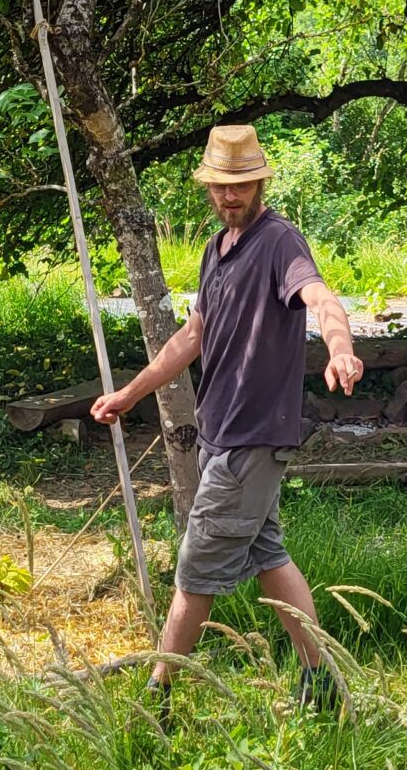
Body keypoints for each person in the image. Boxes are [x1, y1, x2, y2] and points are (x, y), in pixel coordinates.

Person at [92, 123, 364, 714]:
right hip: (218, 436)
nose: (230, 196)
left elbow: (321, 298)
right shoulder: (215, 253)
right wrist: (129, 394)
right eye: (220, 186)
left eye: (241, 185)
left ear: (260, 182)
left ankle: (156, 697)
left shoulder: (279, 242)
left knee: (194, 570)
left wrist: (339, 347)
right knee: (268, 556)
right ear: (209, 189)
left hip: (252, 440)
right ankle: (322, 685)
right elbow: (190, 337)